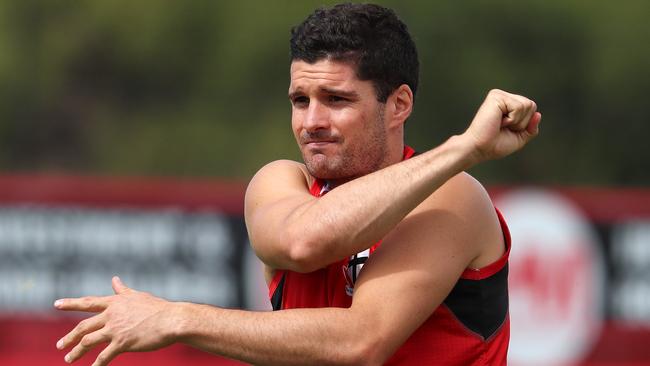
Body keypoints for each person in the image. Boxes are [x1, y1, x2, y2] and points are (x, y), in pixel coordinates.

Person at [55, 3, 541, 366]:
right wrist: (464, 149)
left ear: (398, 104)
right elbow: (303, 240)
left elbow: (362, 341)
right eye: (300, 99)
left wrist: (179, 318)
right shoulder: (278, 183)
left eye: (336, 98)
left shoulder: (451, 198)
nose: (312, 121)